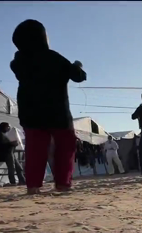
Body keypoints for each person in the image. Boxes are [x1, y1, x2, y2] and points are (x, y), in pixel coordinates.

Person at [10, 19, 87, 194]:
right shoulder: (54, 58)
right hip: (57, 112)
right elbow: (77, 76)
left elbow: (15, 65)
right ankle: (62, 183)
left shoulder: (20, 61)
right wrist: (77, 66)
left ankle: (33, 186)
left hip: (30, 112)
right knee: (65, 147)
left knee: (35, 150)